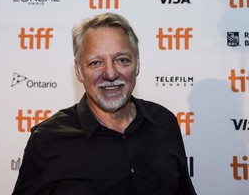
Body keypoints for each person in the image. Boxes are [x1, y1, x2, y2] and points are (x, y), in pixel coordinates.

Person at [12, 13, 197, 195]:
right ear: (78, 71)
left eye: (122, 60)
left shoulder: (164, 123)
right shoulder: (47, 140)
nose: (110, 74)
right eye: (95, 63)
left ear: (137, 64)